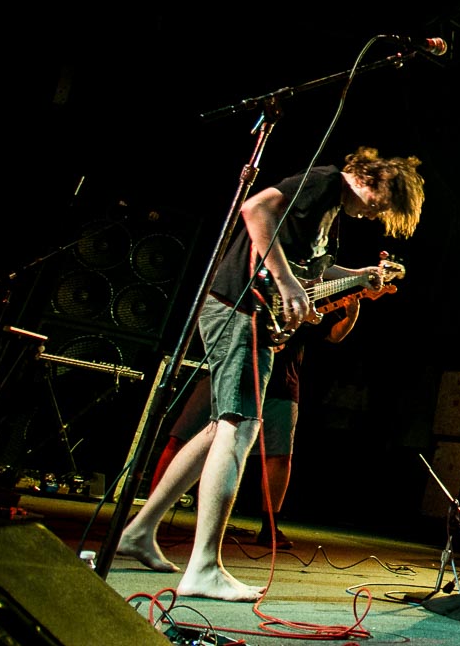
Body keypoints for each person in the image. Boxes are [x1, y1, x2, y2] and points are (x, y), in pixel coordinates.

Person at [117, 146, 424, 600]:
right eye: (378, 206)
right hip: (239, 310)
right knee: (240, 430)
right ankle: (202, 567)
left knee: (217, 431)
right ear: (374, 182)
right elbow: (255, 208)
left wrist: (359, 277)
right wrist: (284, 282)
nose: (371, 216)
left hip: (253, 318)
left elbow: (313, 272)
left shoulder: (329, 215)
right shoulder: (324, 182)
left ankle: (139, 532)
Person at [148, 298, 363, 551]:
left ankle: (269, 527)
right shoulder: (258, 283)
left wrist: (351, 316)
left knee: (279, 456)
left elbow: (333, 336)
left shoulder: (308, 296)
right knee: (180, 439)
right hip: (229, 372)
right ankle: (149, 514)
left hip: (280, 385)